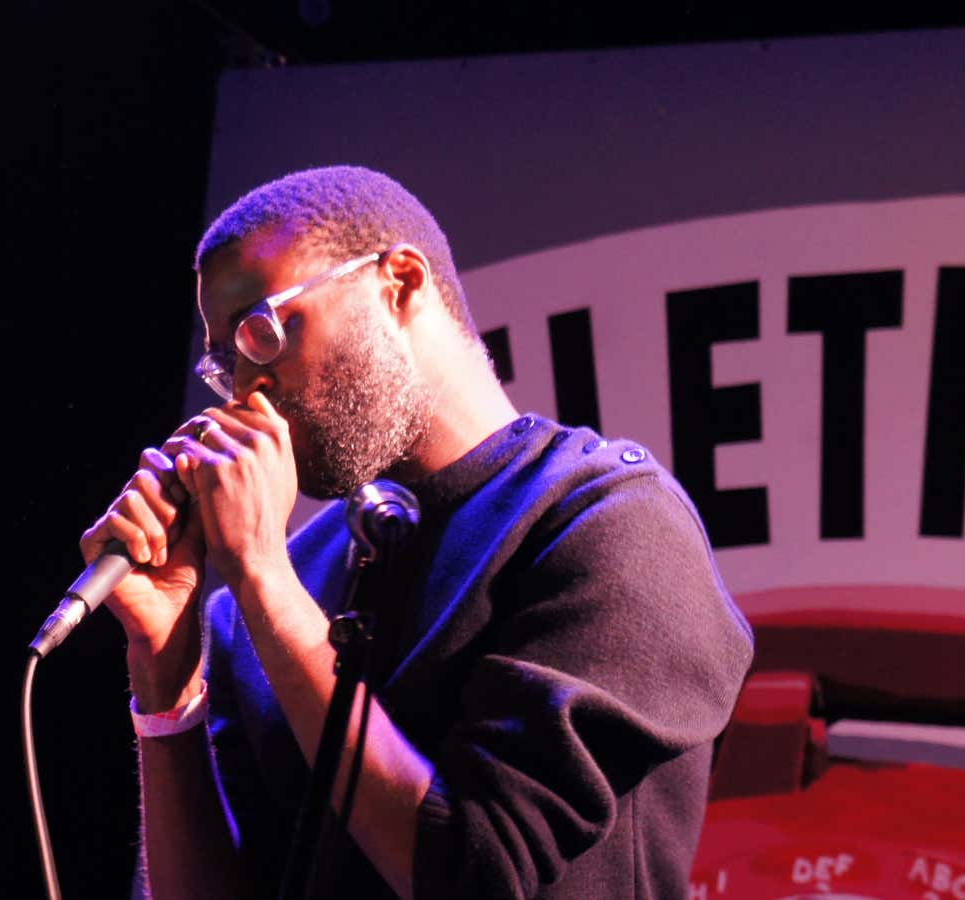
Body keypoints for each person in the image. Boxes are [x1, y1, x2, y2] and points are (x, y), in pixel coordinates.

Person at [80, 165, 753, 899]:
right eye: (225, 361)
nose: (248, 388)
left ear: (398, 283)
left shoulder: (606, 523)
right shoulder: (269, 590)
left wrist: (265, 581)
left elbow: (477, 874)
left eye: (263, 331)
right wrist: (166, 678)